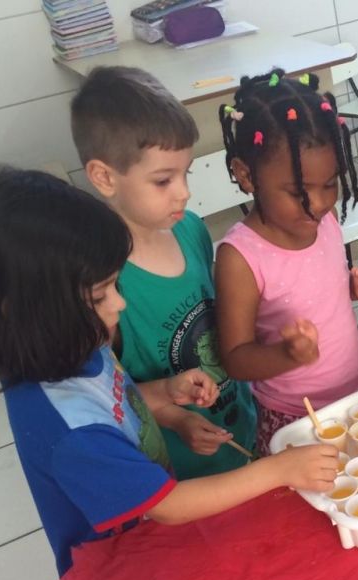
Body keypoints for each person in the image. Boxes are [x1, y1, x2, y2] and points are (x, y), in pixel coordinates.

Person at [0, 168, 339, 575]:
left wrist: (168, 397)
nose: (119, 304)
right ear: (23, 308)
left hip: (158, 541)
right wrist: (277, 470)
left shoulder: (76, 347)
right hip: (121, 571)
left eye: (114, 286)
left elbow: (118, 402)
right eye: (99, 297)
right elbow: (167, 505)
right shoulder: (70, 429)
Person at [71, 66, 255, 479]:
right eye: (162, 180)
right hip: (181, 467)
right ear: (104, 177)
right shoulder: (103, 284)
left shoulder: (190, 229)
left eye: (185, 173)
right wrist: (179, 419)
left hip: (241, 421)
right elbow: (113, 395)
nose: (184, 192)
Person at [215, 69, 358, 454]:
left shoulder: (326, 220)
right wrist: (285, 355)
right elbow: (235, 359)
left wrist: (355, 285)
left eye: (330, 184)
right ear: (246, 175)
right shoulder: (239, 258)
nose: (320, 203)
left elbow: (317, 289)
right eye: (298, 192)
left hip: (357, 390)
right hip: (294, 416)